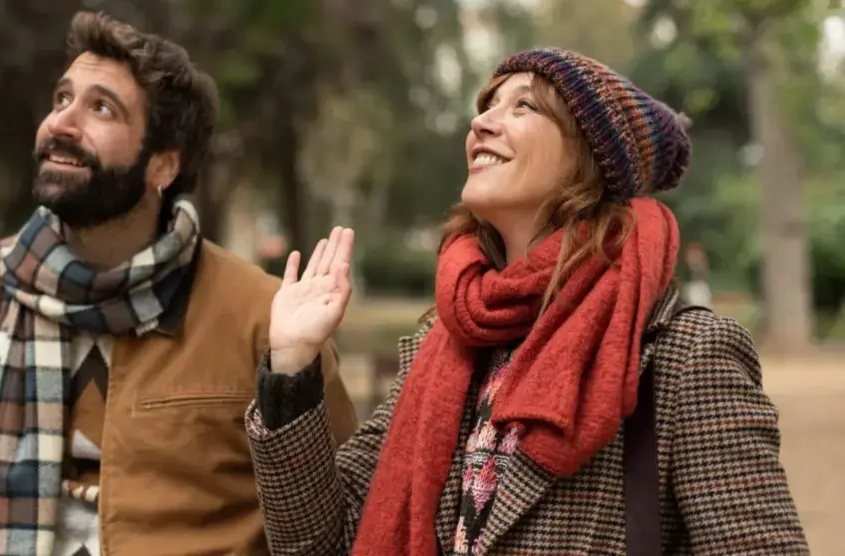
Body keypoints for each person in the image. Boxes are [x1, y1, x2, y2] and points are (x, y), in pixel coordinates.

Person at [246, 48, 808, 555]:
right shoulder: (444, 346)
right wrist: (292, 364)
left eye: (524, 106)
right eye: (487, 106)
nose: (481, 122)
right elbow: (320, 543)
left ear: (590, 156)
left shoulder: (686, 356)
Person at [0, 11, 358, 556]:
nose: (61, 123)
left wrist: (291, 368)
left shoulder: (264, 319)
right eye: (62, 99)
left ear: (163, 166)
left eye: (101, 108)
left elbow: (335, 511)